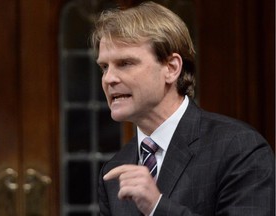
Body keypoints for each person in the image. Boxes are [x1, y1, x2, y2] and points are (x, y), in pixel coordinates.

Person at [90, 1, 275, 215]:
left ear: (171, 68)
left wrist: (157, 207)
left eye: (125, 63)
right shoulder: (114, 171)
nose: (109, 78)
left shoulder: (238, 147)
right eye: (104, 67)